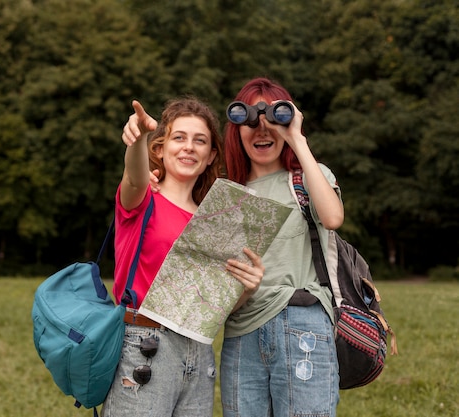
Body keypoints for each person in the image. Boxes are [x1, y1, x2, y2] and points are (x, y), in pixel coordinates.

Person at [101, 97, 265, 417]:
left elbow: (212, 307)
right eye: (179, 137)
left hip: (198, 352)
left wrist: (248, 287)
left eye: (199, 141)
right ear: (160, 148)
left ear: (210, 156)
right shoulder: (143, 198)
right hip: (145, 345)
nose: (189, 147)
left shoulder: (216, 224)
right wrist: (139, 139)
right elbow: (134, 176)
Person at [219, 77, 344, 417]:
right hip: (241, 332)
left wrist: (297, 140)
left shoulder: (307, 178)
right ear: (237, 127)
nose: (262, 130)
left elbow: (332, 218)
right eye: (251, 121)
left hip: (302, 321)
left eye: (273, 119)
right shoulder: (227, 195)